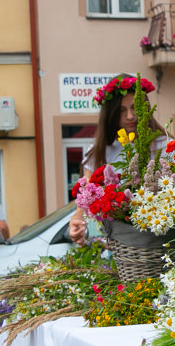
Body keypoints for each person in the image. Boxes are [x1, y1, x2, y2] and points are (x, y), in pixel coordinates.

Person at [68, 74, 165, 245]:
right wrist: (77, 222)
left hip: (158, 238)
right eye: (122, 110)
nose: (130, 116)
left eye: (135, 107)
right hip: (116, 242)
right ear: (111, 113)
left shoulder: (163, 145)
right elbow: (86, 197)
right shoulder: (100, 150)